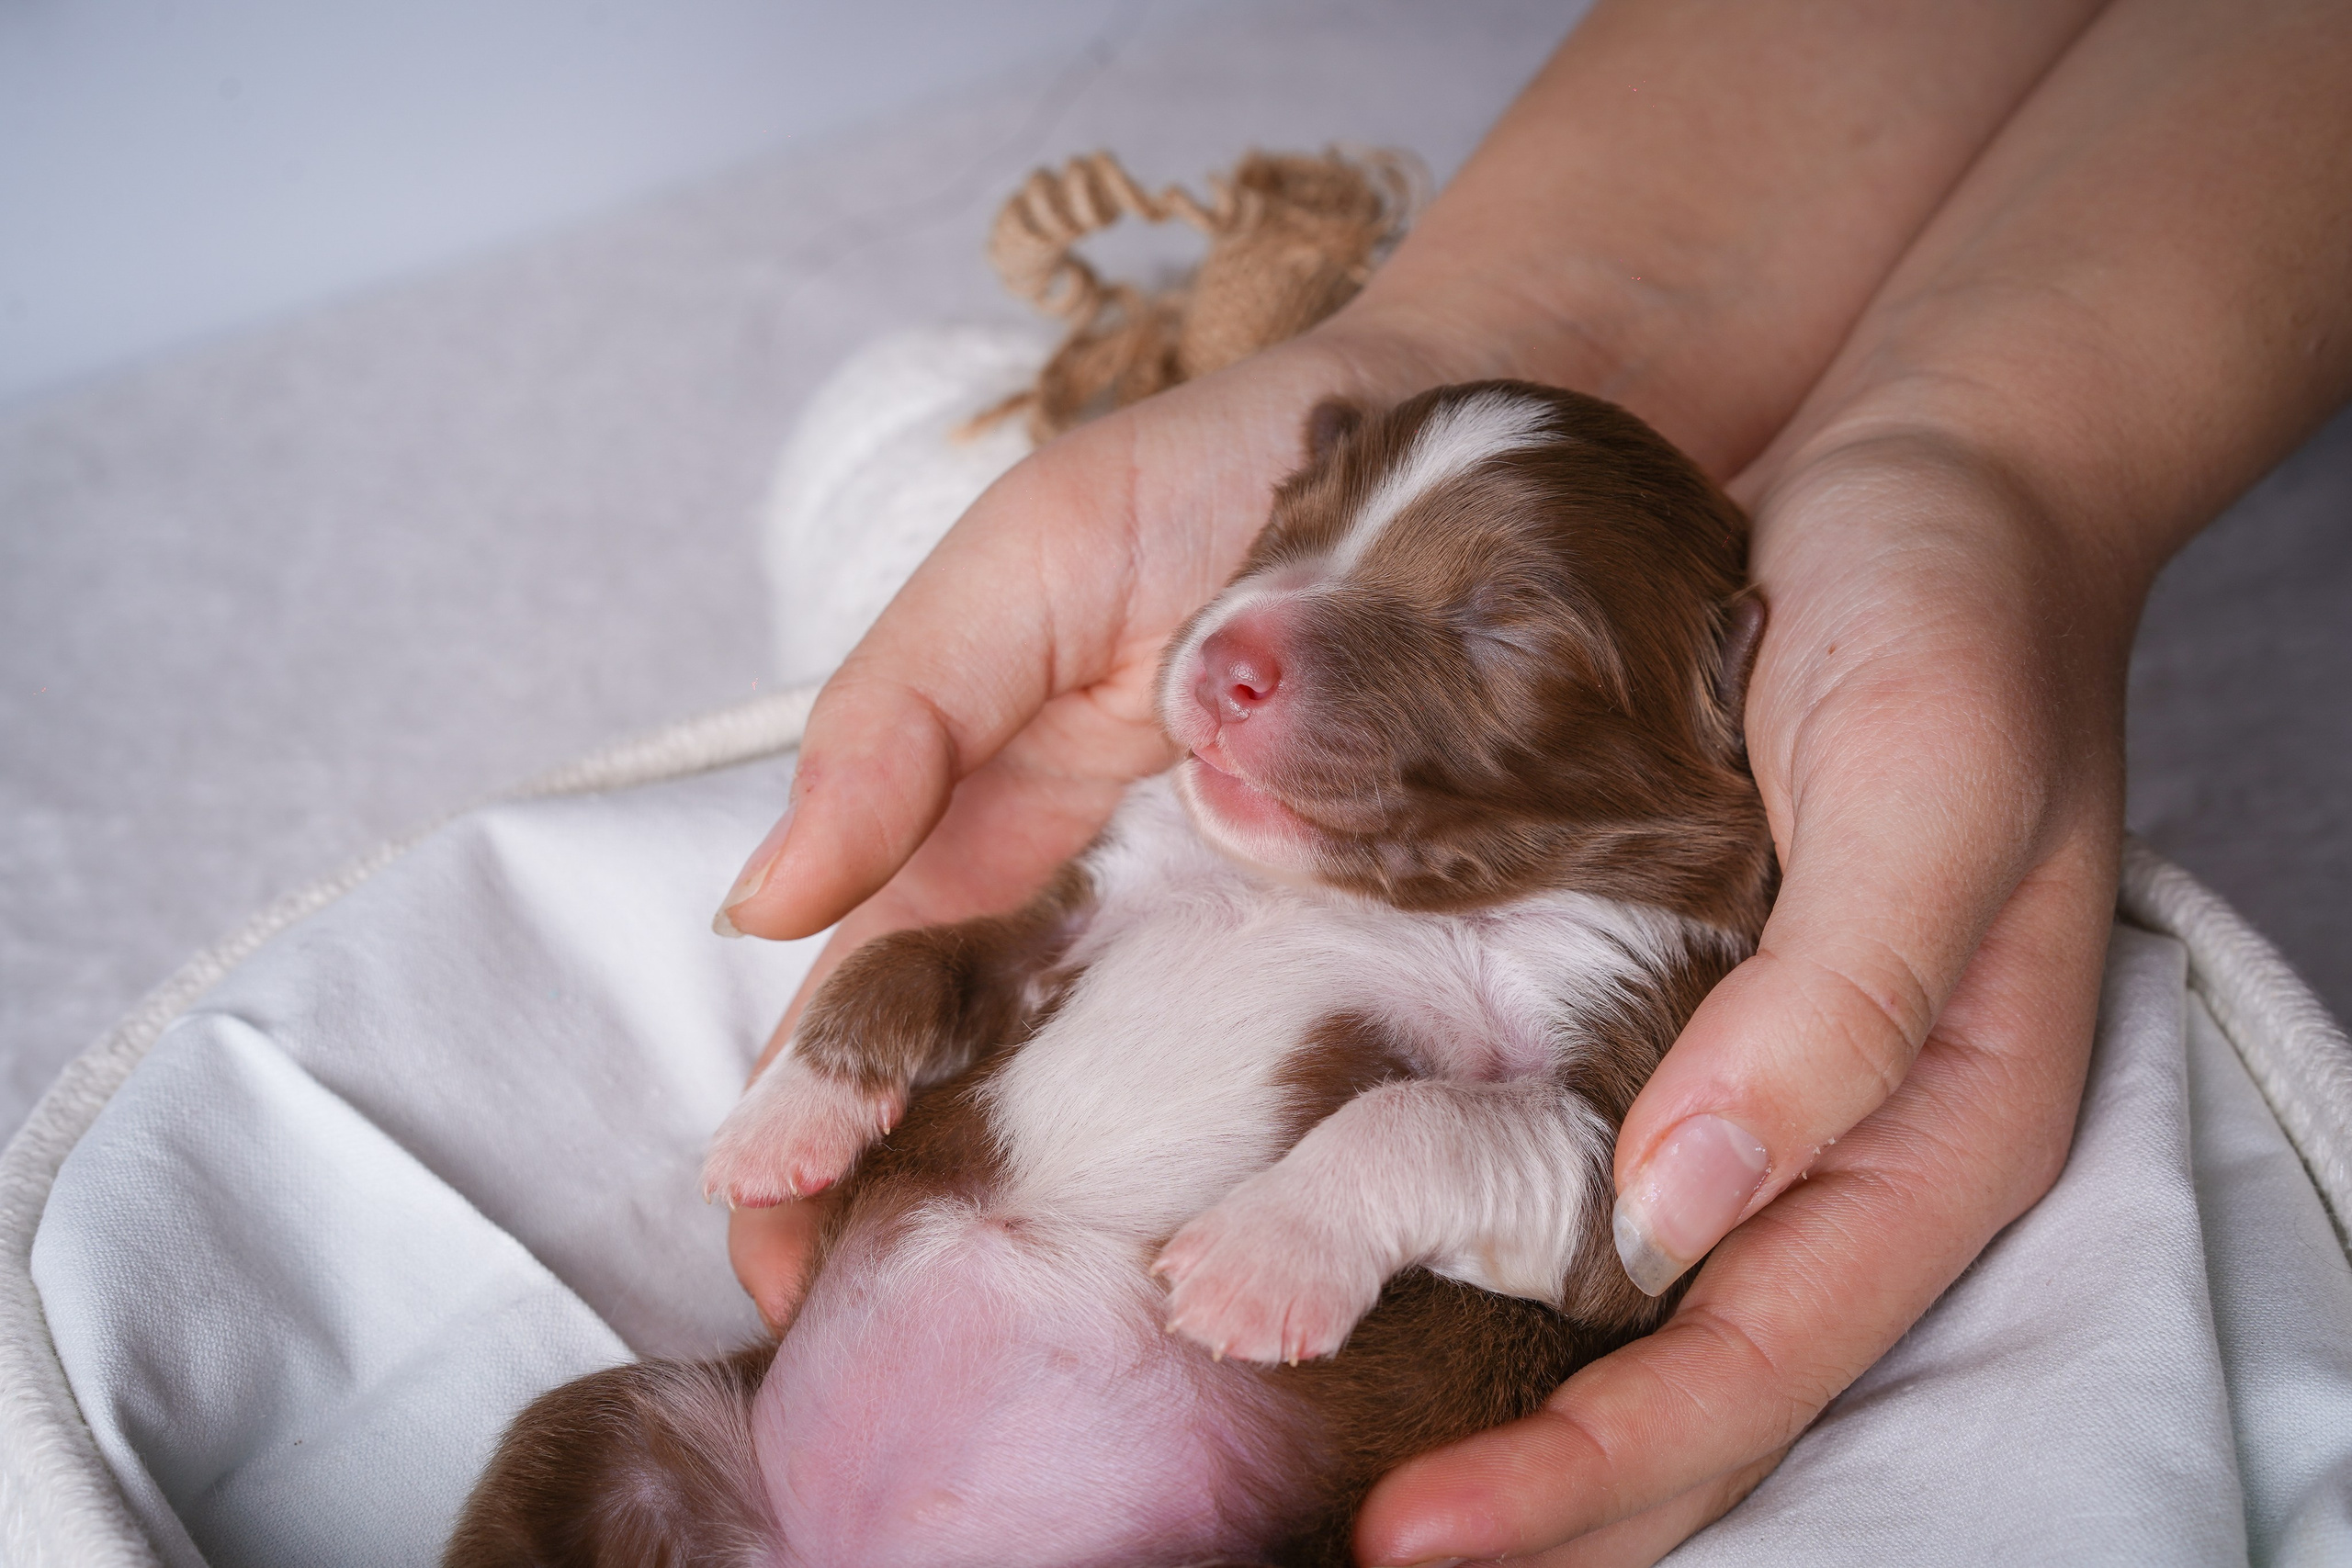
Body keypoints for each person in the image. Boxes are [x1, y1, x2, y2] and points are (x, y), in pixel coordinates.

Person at [710, 0, 2352, 1561]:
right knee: (620, 1454)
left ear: (1723, 718)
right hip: (840, 1405)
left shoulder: (1637, 930)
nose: (1245, 635)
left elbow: (1590, 1205)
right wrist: (857, 1042)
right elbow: (1004, 961)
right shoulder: (1194, 835)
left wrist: (2002, 479)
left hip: (1184, 1493)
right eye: (1299, 534)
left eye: (1497, 627)